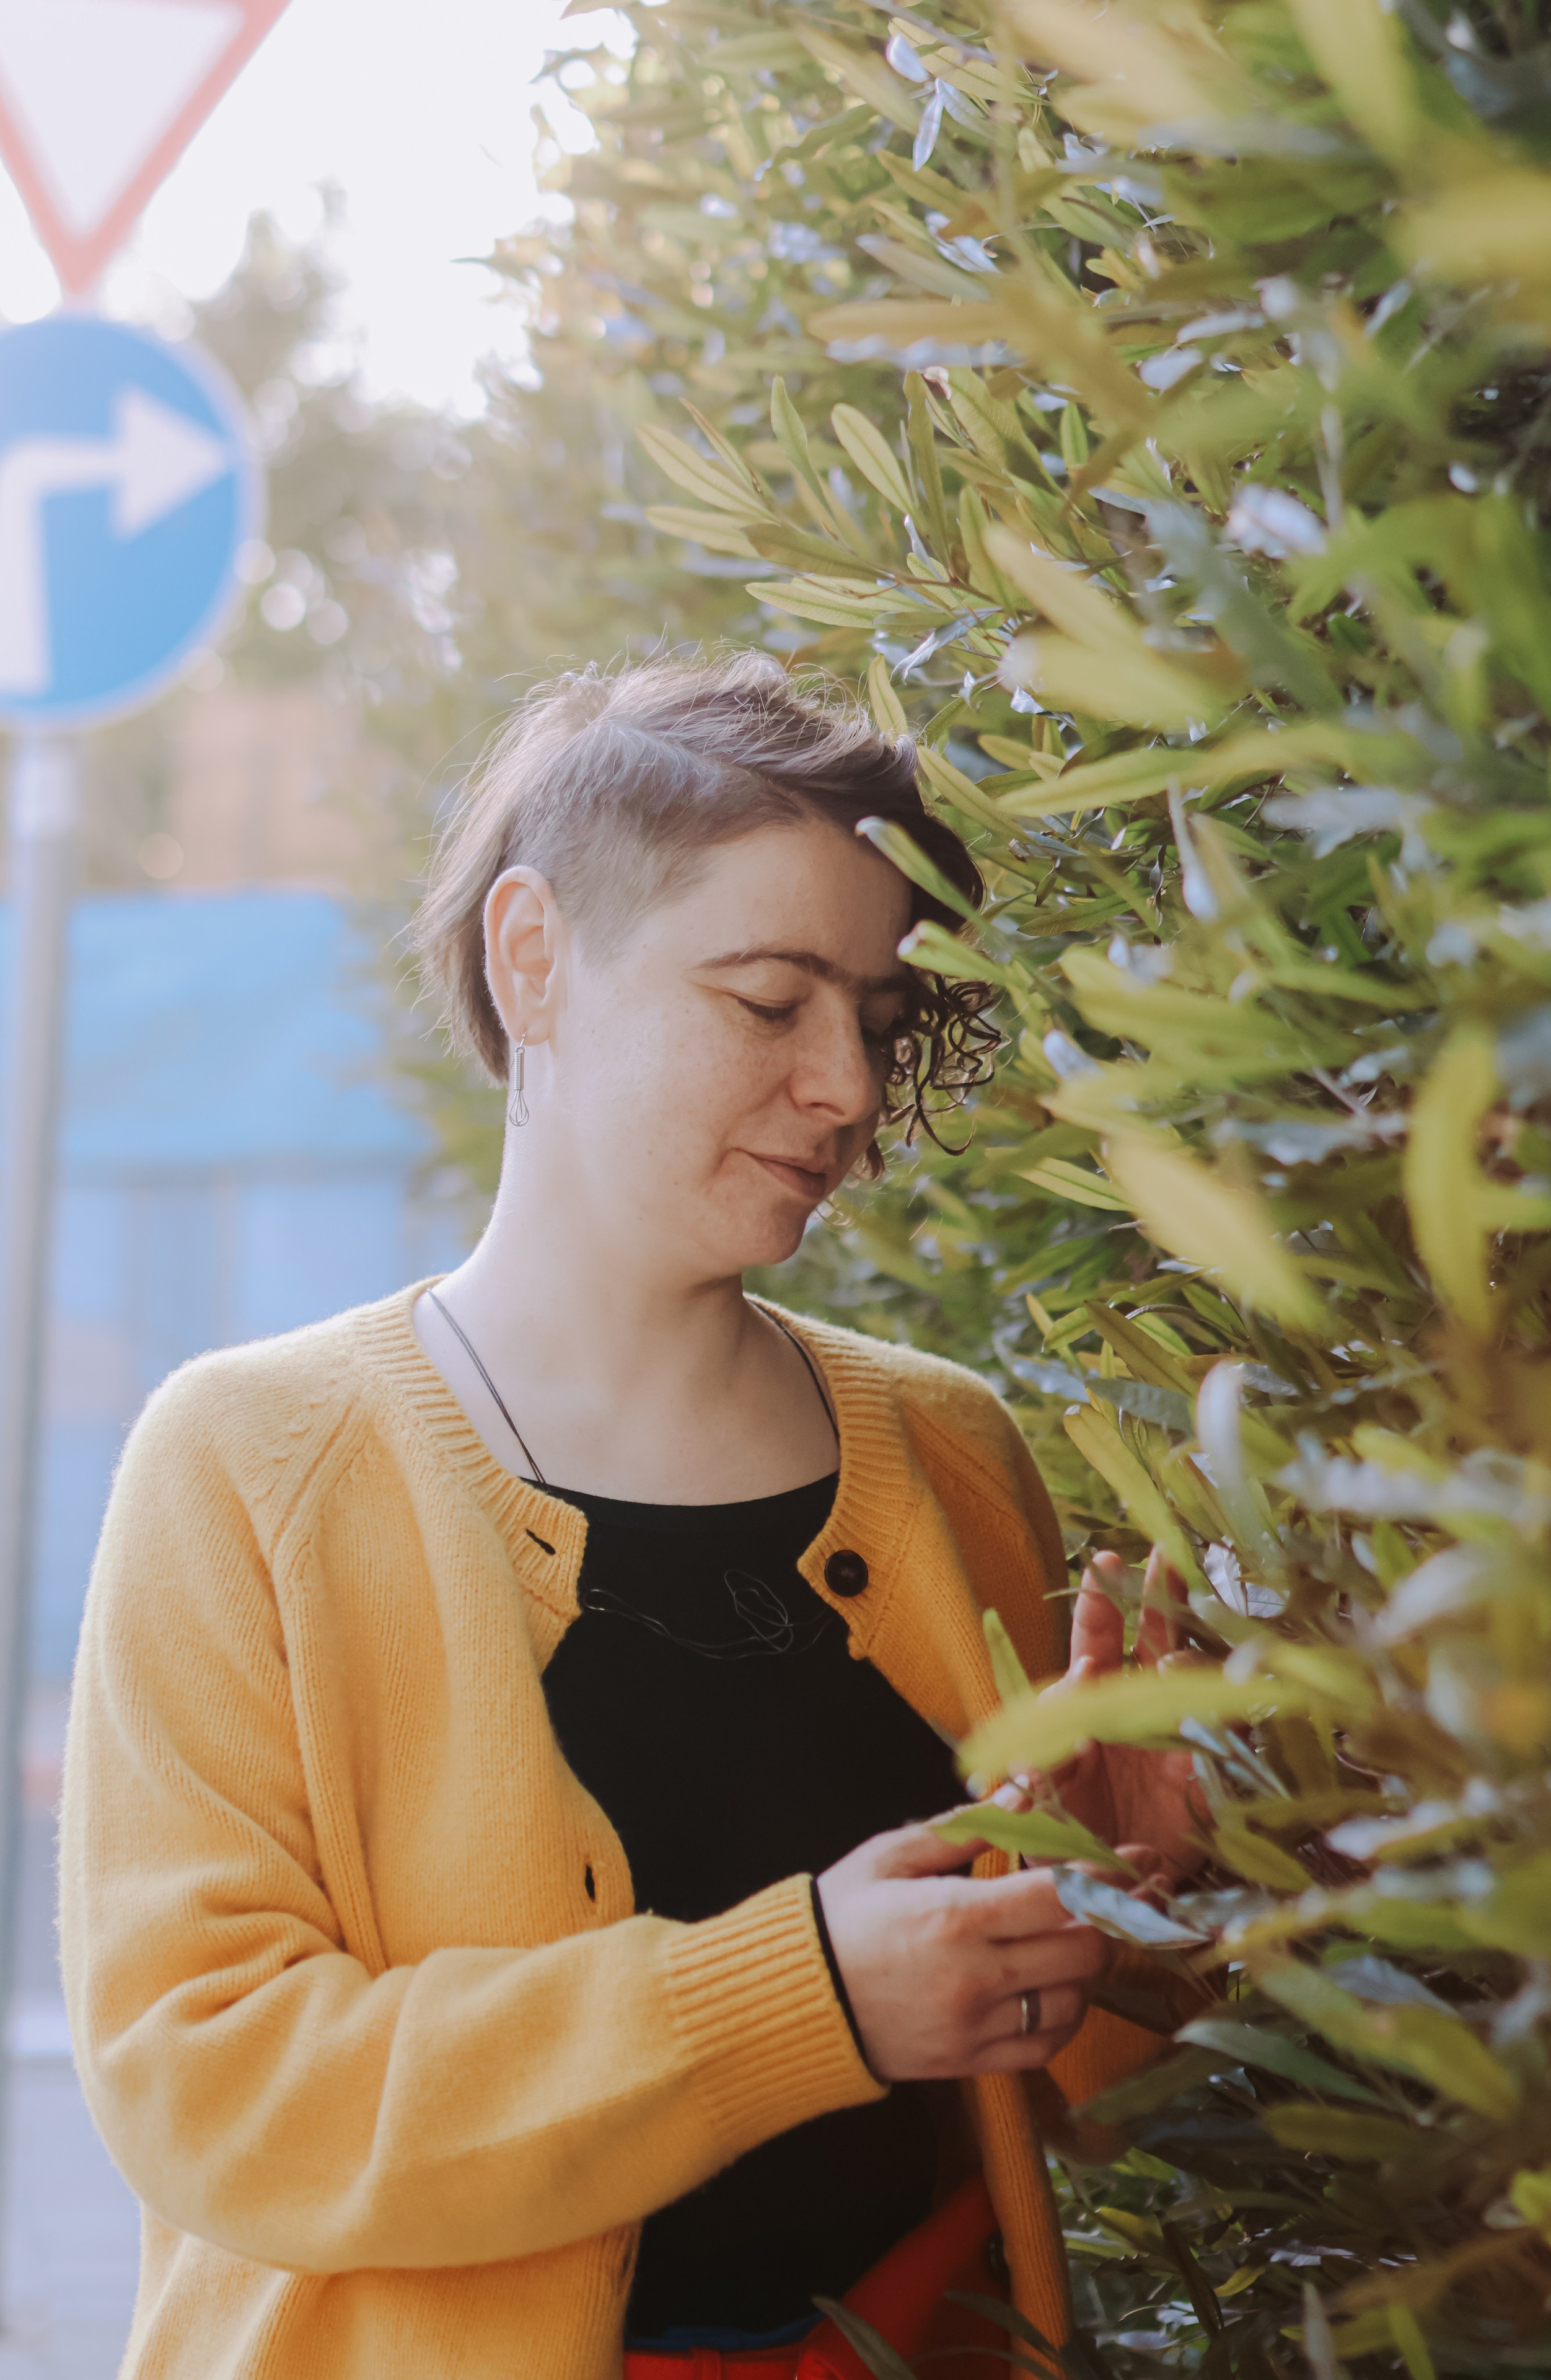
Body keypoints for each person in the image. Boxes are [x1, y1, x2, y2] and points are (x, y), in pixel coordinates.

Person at [59, 656, 1200, 2380]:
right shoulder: (249, 1464)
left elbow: (1080, 2097)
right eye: (768, 1003)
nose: (842, 1087)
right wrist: (797, 1998)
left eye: (878, 1023)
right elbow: (212, 2086)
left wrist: (1141, 1924)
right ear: (536, 961)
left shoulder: (951, 1454)